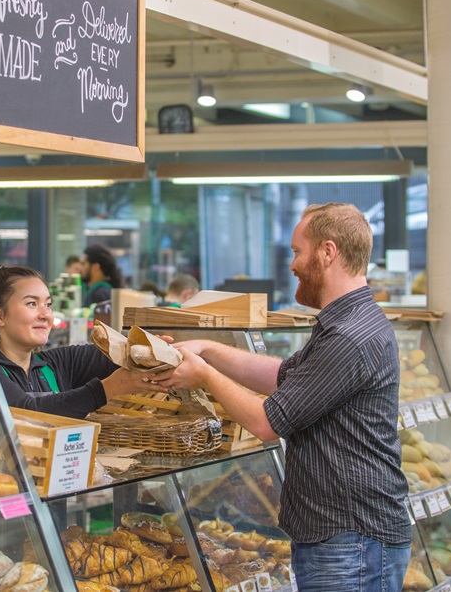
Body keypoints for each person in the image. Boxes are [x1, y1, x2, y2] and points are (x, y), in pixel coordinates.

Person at [150, 203, 411, 592]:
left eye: (297, 251)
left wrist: (205, 375)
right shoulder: (346, 322)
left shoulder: (348, 336)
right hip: (346, 539)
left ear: (328, 251)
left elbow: (266, 422)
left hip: (351, 543)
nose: (292, 265)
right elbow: (281, 376)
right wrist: (209, 348)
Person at [0, 262, 150, 418]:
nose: (45, 315)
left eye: (48, 305)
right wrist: (109, 388)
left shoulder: (56, 363)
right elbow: (26, 411)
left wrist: (156, 348)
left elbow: (119, 354)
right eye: (32, 303)